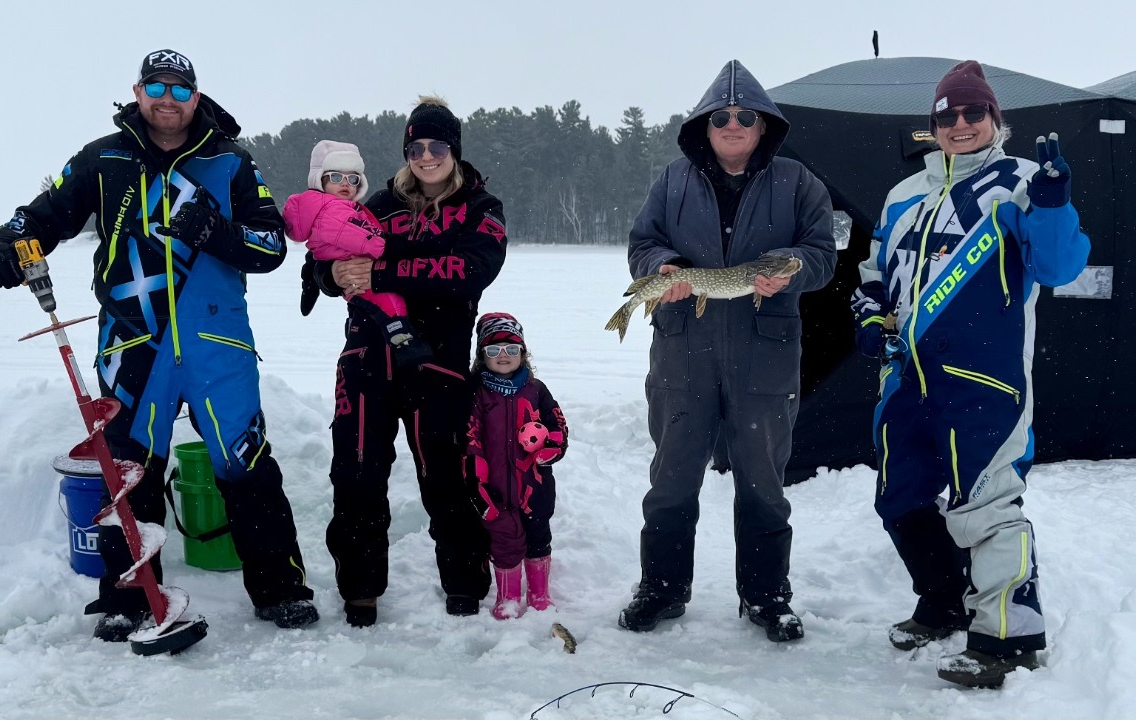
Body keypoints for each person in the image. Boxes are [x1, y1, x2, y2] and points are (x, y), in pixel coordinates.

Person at [0, 49, 319, 640]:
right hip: (132, 341)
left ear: (195, 96)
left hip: (216, 341)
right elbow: (43, 215)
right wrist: (5, 246)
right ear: (137, 92)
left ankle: (281, 589)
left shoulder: (230, 161)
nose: (167, 99)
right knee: (129, 469)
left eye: (180, 89)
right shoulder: (101, 158)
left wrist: (214, 230)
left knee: (246, 463)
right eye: (155, 87)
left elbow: (270, 247)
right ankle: (130, 597)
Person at [850, 60, 1089, 688]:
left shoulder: (1022, 182)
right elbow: (874, 275)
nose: (960, 124)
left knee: (985, 502)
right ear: (933, 124)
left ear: (994, 119)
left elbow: (1059, 266)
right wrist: (872, 316)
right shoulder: (902, 194)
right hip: (906, 379)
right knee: (899, 497)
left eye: (972, 113)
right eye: (947, 115)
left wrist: (1056, 205)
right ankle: (944, 602)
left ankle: (1009, 637)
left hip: (985, 378)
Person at [618, 60, 837, 641]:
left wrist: (789, 272)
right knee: (671, 478)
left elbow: (822, 253)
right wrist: (660, 269)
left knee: (764, 481)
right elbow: (643, 243)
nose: (733, 124)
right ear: (705, 126)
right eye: (722, 116)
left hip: (765, 358)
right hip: (682, 354)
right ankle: (661, 588)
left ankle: (766, 596)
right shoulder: (671, 181)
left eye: (745, 116)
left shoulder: (799, 182)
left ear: (763, 125)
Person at [308, 96, 508, 627]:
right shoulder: (378, 204)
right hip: (366, 361)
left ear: (454, 150)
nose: (425, 156)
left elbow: (469, 269)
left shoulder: (481, 208)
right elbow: (322, 257)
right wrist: (334, 277)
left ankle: (465, 585)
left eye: (436, 146)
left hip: (436, 365)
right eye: (415, 147)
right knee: (356, 477)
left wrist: (381, 273)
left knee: (448, 478)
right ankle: (360, 590)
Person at [284, 140, 433, 368]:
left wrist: (313, 280)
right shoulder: (337, 209)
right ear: (319, 179)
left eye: (352, 179)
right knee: (389, 305)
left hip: (374, 294)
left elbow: (314, 255)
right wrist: (390, 247)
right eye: (336, 177)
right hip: (362, 295)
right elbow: (359, 237)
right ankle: (404, 342)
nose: (345, 184)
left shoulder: (339, 207)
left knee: (387, 304)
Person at [464, 313, 568, 620]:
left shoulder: (536, 389)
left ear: (523, 353)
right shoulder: (477, 394)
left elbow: (557, 426)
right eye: (494, 351)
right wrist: (476, 482)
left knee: (538, 538)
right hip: (495, 488)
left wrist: (550, 448)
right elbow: (470, 439)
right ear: (483, 357)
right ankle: (508, 597)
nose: (504, 356)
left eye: (511, 349)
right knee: (505, 540)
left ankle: (539, 594)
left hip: (534, 485)